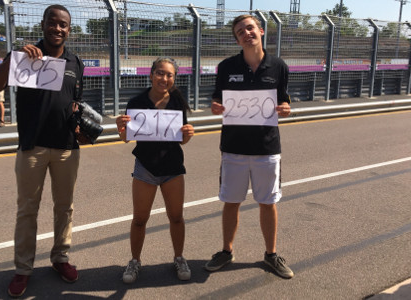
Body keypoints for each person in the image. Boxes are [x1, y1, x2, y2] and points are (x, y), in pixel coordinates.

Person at [0, 5, 86, 297]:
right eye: (52, 23)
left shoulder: (75, 62)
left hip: (67, 147)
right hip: (33, 146)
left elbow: (76, 101)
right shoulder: (25, 56)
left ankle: (60, 258)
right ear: (43, 25)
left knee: (64, 207)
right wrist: (13, 60)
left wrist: (80, 123)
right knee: (27, 210)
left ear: (69, 29)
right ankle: (23, 269)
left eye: (63, 25)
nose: (58, 29)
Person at [204, 15, 294, 279]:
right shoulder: (226, 66)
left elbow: (285, 101)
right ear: (237, 38)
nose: (246, 33)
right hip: (233, 148)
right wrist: (215, 106)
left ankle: (271, 254)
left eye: (250, 28)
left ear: (261, 31)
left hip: (267, 148)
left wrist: (287, 108)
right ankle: (226, 251)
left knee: (268, 203)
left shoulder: (278, 66)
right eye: (240, 31)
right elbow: (217, 100)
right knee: (231, 202)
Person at [115, 57, 195, 284]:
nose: (164, 78)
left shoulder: (178, 101)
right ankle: (134, 261)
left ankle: (179, 257)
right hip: (145, 167)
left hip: (172, 167)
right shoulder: (137, 101)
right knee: (140, 219)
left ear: (174, 78)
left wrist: (187, 135)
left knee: (176, 217)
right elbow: (126, 138)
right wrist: (120, 128)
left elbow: (181, 139)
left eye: (169, 75)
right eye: (160, 73)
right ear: (151, 75)